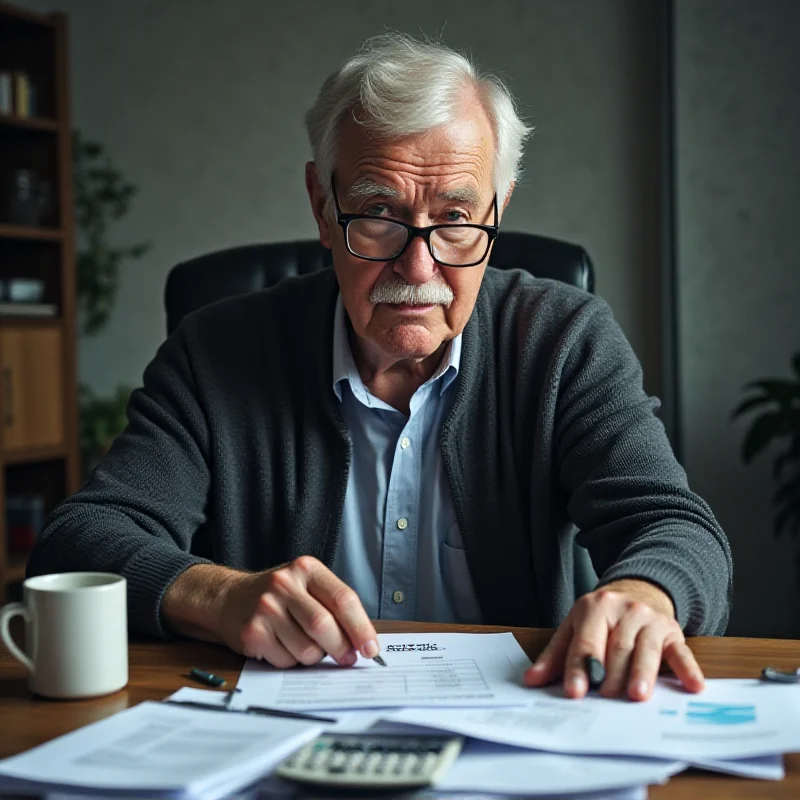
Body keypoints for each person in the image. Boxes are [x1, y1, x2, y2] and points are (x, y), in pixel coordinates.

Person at [28, 34, 732, 702]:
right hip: (281, 743)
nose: (418, 266)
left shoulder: (565, 340)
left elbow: (676, 530)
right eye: (378, 214)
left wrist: (643, 595)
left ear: (498, 208)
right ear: (322, 207)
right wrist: (218, 595)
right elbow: (77, 544)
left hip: (519, 731)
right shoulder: (215, 351)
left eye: (456, 217)